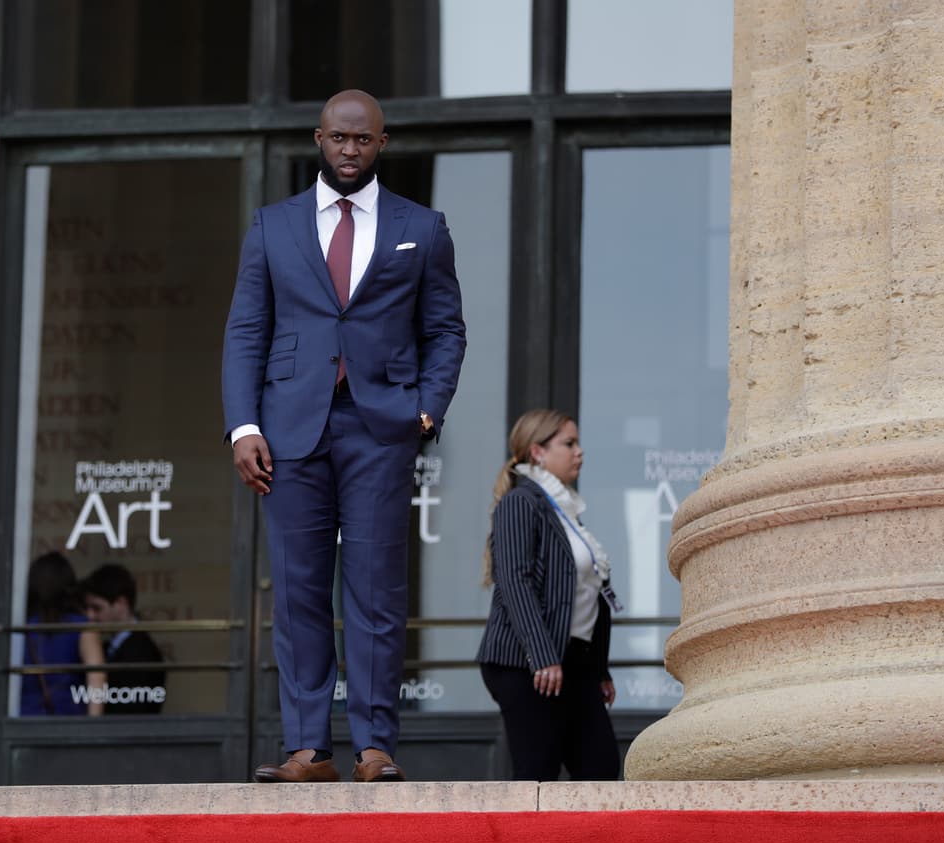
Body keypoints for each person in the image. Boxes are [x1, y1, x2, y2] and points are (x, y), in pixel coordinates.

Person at [222, 89, 467, 782]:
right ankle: (308, 747)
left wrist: (426, 410)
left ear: (381, 143)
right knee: (299, 591)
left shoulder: (423, 226)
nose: (350, 150)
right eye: (339, 138)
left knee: (374, 589)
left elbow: (446, 329)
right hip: (289, 429)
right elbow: (246, 331)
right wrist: (243, 423)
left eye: (363, 140)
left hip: (380, 428)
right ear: (318, 138)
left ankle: (374, 746)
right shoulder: (273, 226)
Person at [476, 409, 621, 781]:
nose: (580, 452)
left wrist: (598, 668)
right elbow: (514, 581)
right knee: (537, 773)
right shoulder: (520, 503)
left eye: (578, 443)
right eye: (568, 444)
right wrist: (541, 657)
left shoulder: (568, 513)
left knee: (601, 771)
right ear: (537, 452)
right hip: (524, 663)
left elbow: (589, 594)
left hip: (574, 663)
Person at [19, 551, 107, 716]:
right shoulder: (82, 628)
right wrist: (93, 729)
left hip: (22, 724)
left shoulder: (19, 629)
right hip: (68, 724)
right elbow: (97, 679)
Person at [81, 563, 167, 715]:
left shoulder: (143, 653)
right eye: (88, 608)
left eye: (97, 608)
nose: (90, 616)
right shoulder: (109, 646)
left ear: (121, 603)